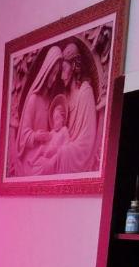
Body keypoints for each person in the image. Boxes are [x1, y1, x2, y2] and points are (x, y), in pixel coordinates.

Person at [39, 41, 98, 174]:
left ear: (73, 66)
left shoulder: (85, 92)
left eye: (63, 69)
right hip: (61, 149)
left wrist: (62, 150)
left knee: (59, 155)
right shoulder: (65, 96)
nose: (60, 76)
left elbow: (87, 142)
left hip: (76, 153)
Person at [13, 45, 62, 176]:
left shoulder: (50, 101)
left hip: (44, 151)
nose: (54, 77)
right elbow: (23, 135)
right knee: (48, 168)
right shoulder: (33, 99)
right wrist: (36, 136)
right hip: (31, 157)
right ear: (46, 70)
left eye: (56, 74)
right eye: (52, 72)